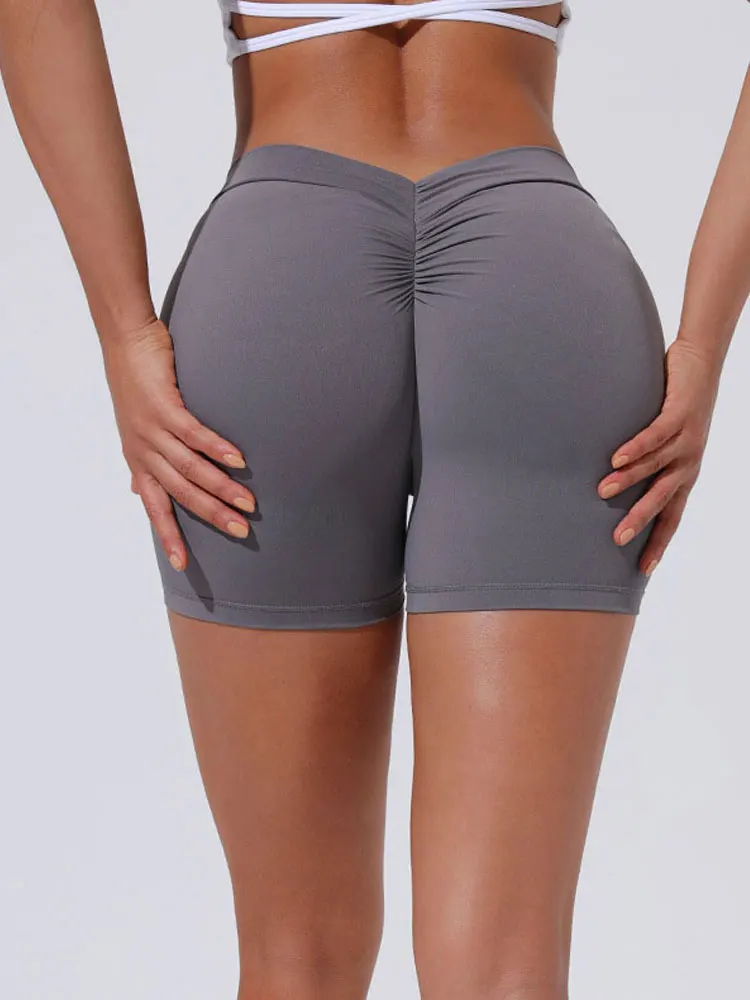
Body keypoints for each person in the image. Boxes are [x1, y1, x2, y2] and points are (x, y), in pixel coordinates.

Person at [1, 2, 748, 997]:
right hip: (541, 278)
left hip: (279, 275)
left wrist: (125, 329)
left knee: (295, 956)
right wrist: (703, 341)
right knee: (505, 967)